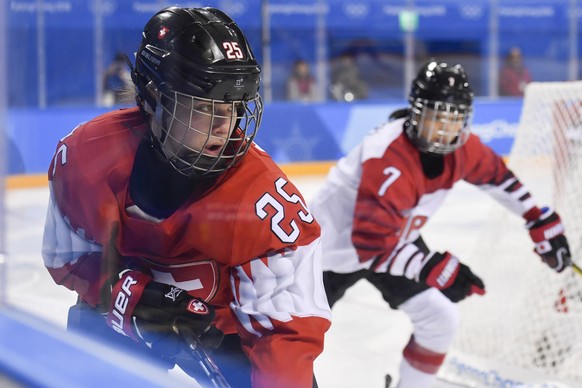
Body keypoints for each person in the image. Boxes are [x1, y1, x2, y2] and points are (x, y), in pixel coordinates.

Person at [41, 6, 331, 388]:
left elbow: (286, 334)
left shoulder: (263, 200)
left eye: (231, 105)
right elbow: (67, 258)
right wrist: (132, 298)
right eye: (204, 106)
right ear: (152, 97)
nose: (223, 124)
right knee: (87, 333)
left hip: (224, 333)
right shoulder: (85, 156)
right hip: (124, 316)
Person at [309, 61, 571, 388]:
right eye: (436, 117)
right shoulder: (388, 158)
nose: (444, 130)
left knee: (440, 320)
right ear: (416, 114)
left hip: (391, 243)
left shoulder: (463, 148)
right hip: (323, 255)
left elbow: (498, 178)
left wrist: (537, 217)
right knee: (298, 342)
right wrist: (432, 267)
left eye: (454, 119)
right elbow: (369, 243)